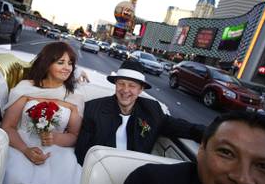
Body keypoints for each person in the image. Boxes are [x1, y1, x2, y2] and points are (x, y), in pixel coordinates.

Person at [113, 111, 265, 184]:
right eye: (226, 152)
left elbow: (177, 125)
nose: (243, 179)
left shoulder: (150, 111)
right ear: (202, 150)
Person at [75, 60, 205, 165]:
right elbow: (82, 152)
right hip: (99, 170)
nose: (125, 90)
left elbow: (182, 127)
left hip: (135, 174)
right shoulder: (93, 109)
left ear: (140, 90)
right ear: (115, 85)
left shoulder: (152, 110)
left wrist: (210, 134)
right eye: (121, 84)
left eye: (132, 86)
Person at [1, 42, 84, 184]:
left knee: (66, 182)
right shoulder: (25, 88)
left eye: (70, 63)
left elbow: (74, 135)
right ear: (47, 64)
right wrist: (25, 150)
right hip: (19, 145)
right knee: (13, 175)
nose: (67, 67)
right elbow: (8, 126)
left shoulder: (75, 98)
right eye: (60, 62)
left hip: (57, 150)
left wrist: (56, 138)